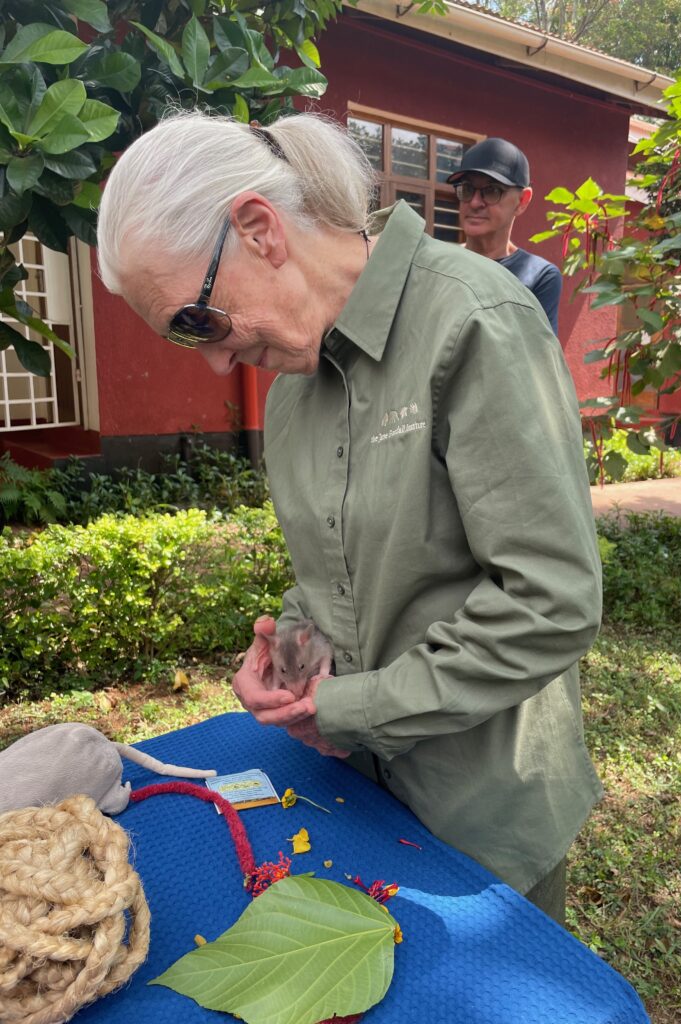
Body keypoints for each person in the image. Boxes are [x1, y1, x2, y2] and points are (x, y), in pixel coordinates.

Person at [96, 110, 603, 925]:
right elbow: (327, 574)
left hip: (480, 813)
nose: (219, 359)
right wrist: (294, 663)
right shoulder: (296, 385)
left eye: (198, 321)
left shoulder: (474, 318)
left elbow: (551, 602)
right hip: (348, 793)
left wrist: (356, 710)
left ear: (259, 230)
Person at [447, 137, 563, 334]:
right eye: (467, 189)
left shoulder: (538, 277)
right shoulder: (439, 264)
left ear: (522, 201)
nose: (475, 203)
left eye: (491, 191)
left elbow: (537, 358)